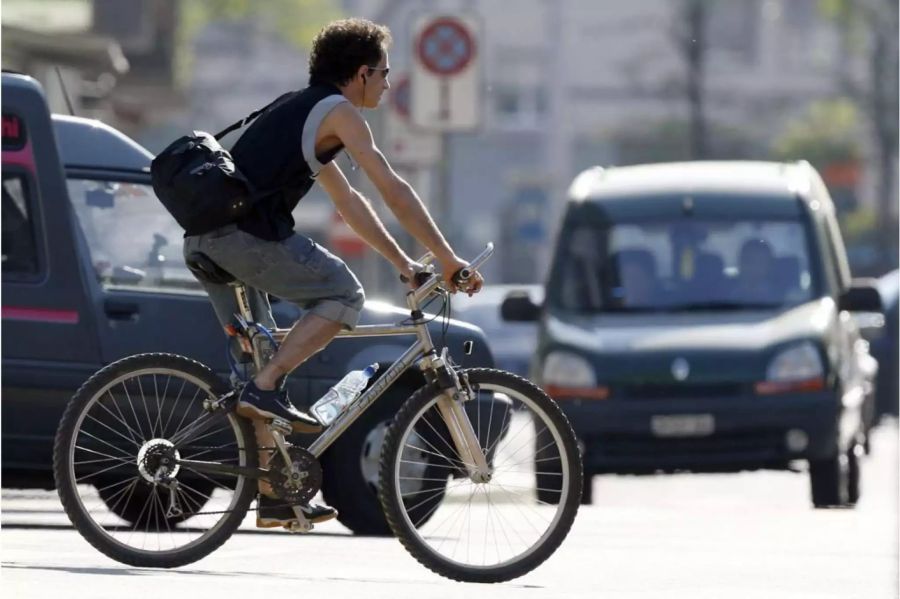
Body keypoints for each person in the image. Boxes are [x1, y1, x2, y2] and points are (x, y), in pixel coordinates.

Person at [182, 18, 484, 528]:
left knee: (258, 364)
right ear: (361, 73)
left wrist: (405, 264)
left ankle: (276, 495)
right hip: (240, 240)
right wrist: (449, 257)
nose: (389, 83)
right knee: (344, 294)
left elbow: (350, 202)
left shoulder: (304, 111)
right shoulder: (339, 113)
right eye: (385, 73)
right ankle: (266, 385)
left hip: (208, 240)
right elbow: (391, 188)